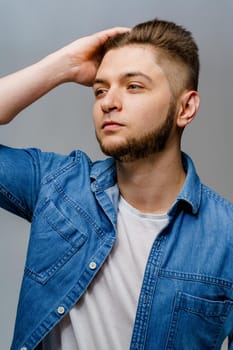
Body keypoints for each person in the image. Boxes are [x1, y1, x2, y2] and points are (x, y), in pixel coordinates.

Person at [0, 18, 233, 350]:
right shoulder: (56, 185)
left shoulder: (226, 239)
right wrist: (62, 66)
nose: (108, 102)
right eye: (100, 89)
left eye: (133, 86)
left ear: (185, 108)